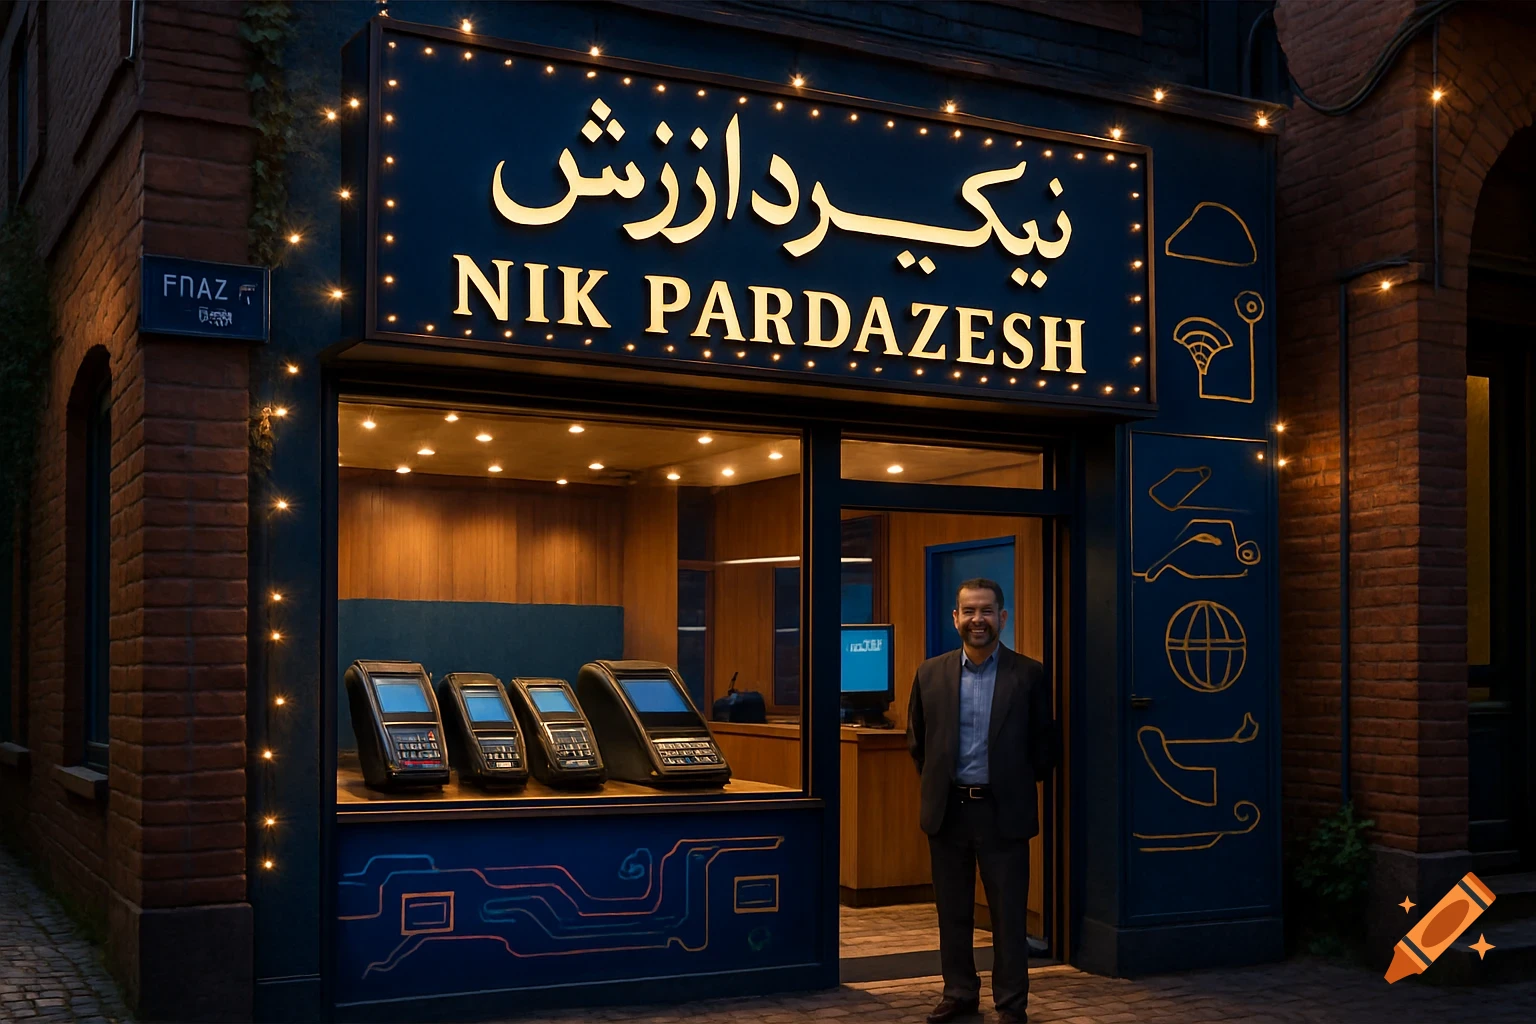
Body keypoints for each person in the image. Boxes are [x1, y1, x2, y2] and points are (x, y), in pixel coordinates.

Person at [907, 578, 1055, 1024]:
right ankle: (960, 993)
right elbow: (918, 740)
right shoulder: (929, 673)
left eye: (987, 611)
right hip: (949, 811)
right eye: (969, 611)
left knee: (1009, 918)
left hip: (1002, 813)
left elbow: (1045, 746)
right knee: (953, 913)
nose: (978, 620)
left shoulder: (1028, 674)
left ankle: (1011, 1004)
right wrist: (940, 784)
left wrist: (1014, 784)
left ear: (1002, 618)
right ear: (955, 618)